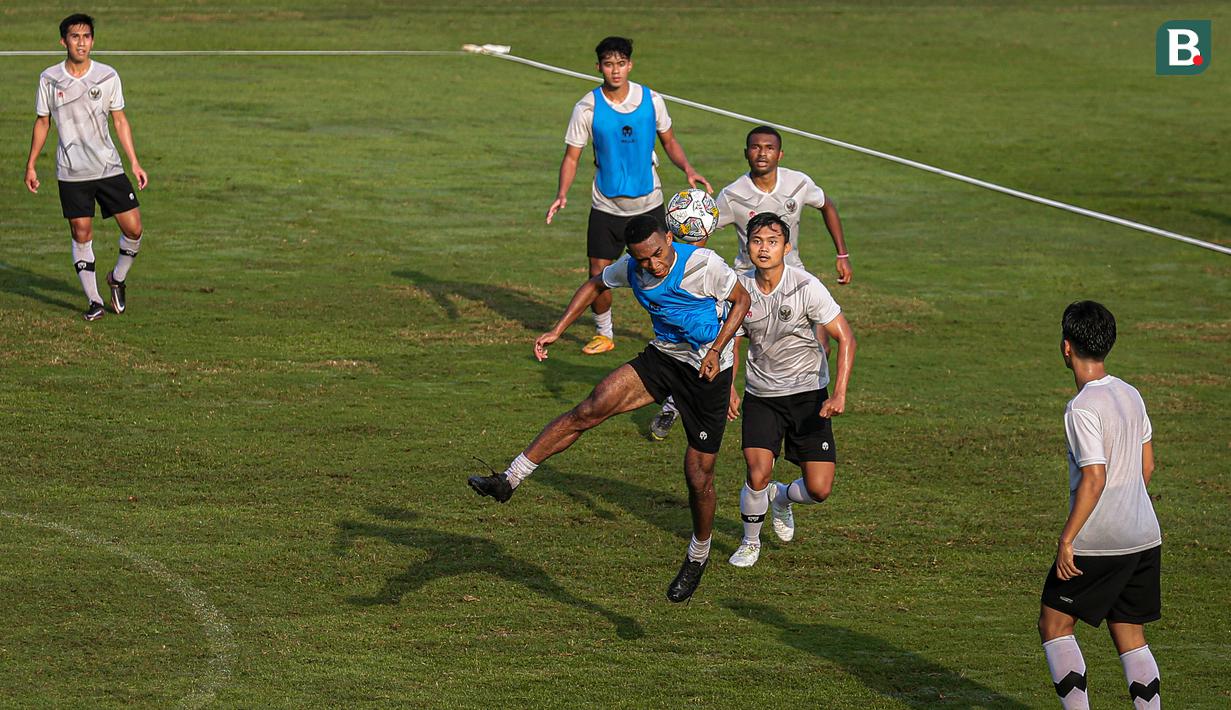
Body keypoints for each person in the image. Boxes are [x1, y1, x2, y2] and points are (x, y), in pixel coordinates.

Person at [468, 215, 750, 603]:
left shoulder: (704, 266)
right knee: (590, 408)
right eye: (643, 259)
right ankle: (508, 480)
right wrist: (559, 329)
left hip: (707, 371)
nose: (653, 265)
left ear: (670, 238)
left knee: (698, 475)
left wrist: (718, 350)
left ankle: (697, 556)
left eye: (658, 254)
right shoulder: (631, 267)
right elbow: (596, 282)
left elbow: (742, 301)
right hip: (664, 358)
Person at [649, 125, 851, 440]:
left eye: (768, 147)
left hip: (792, 278)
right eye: (755, 147)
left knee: (823, 344)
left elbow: (827, 204)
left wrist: (842, 253)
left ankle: (805, 406)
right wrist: (679, 265)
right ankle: (677, 401)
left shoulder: (799, 183)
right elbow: (703, 230)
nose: (762, 153)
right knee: (718, 346)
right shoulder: (732, 195)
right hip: (746, 284)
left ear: (779, 154)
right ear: (746, 153)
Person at [545, 36, 710, 356]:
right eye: (609, 64)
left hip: (648, 205)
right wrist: (562, 193)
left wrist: (688, 169)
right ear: (598, 67)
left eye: (621, 63)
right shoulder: (587, 107)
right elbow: (571, 157)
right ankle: (605, 333)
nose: (615, 70)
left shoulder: (652, 100)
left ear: (630, 65)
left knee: (665, 267)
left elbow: (670, 142)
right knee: (598, 274)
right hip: (606, 205)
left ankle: (675, 327)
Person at [1038, 301, 1162, 710]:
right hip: (1144, 534)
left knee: (1055, 624)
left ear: (1066, 347)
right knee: (1130, 634)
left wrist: (1068, 539)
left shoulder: (1081, 408)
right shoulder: (1131, 393)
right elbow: (1147, 466)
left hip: (1099, 539)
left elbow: (1095, 477)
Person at [722, 213, 855, 567]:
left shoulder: (805, 286)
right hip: (761, 396)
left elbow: (846, 338)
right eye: (757, 241)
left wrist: (839, 393)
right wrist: (730, 389)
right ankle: (750, 542)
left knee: (819, 489)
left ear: (786, 247)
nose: (763, 248)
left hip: (809, 396)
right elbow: (731, 342)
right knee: (756, 471)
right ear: (747, 246)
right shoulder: (739, 288)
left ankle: (781, 498)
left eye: (772, 241)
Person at [24, 13, 148, 321]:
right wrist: (31, 165)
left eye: (86, 37)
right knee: (82, 233)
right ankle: (94, 300)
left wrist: (134, 161)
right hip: (71, 172)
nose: (81, 42)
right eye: (75, 37)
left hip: (108, 168)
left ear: (92, 40)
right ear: (63, 41)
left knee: (134, 229)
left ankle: (116, 278)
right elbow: (43, 122)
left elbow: (119, 119)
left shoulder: (107, 76)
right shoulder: (49, 79)